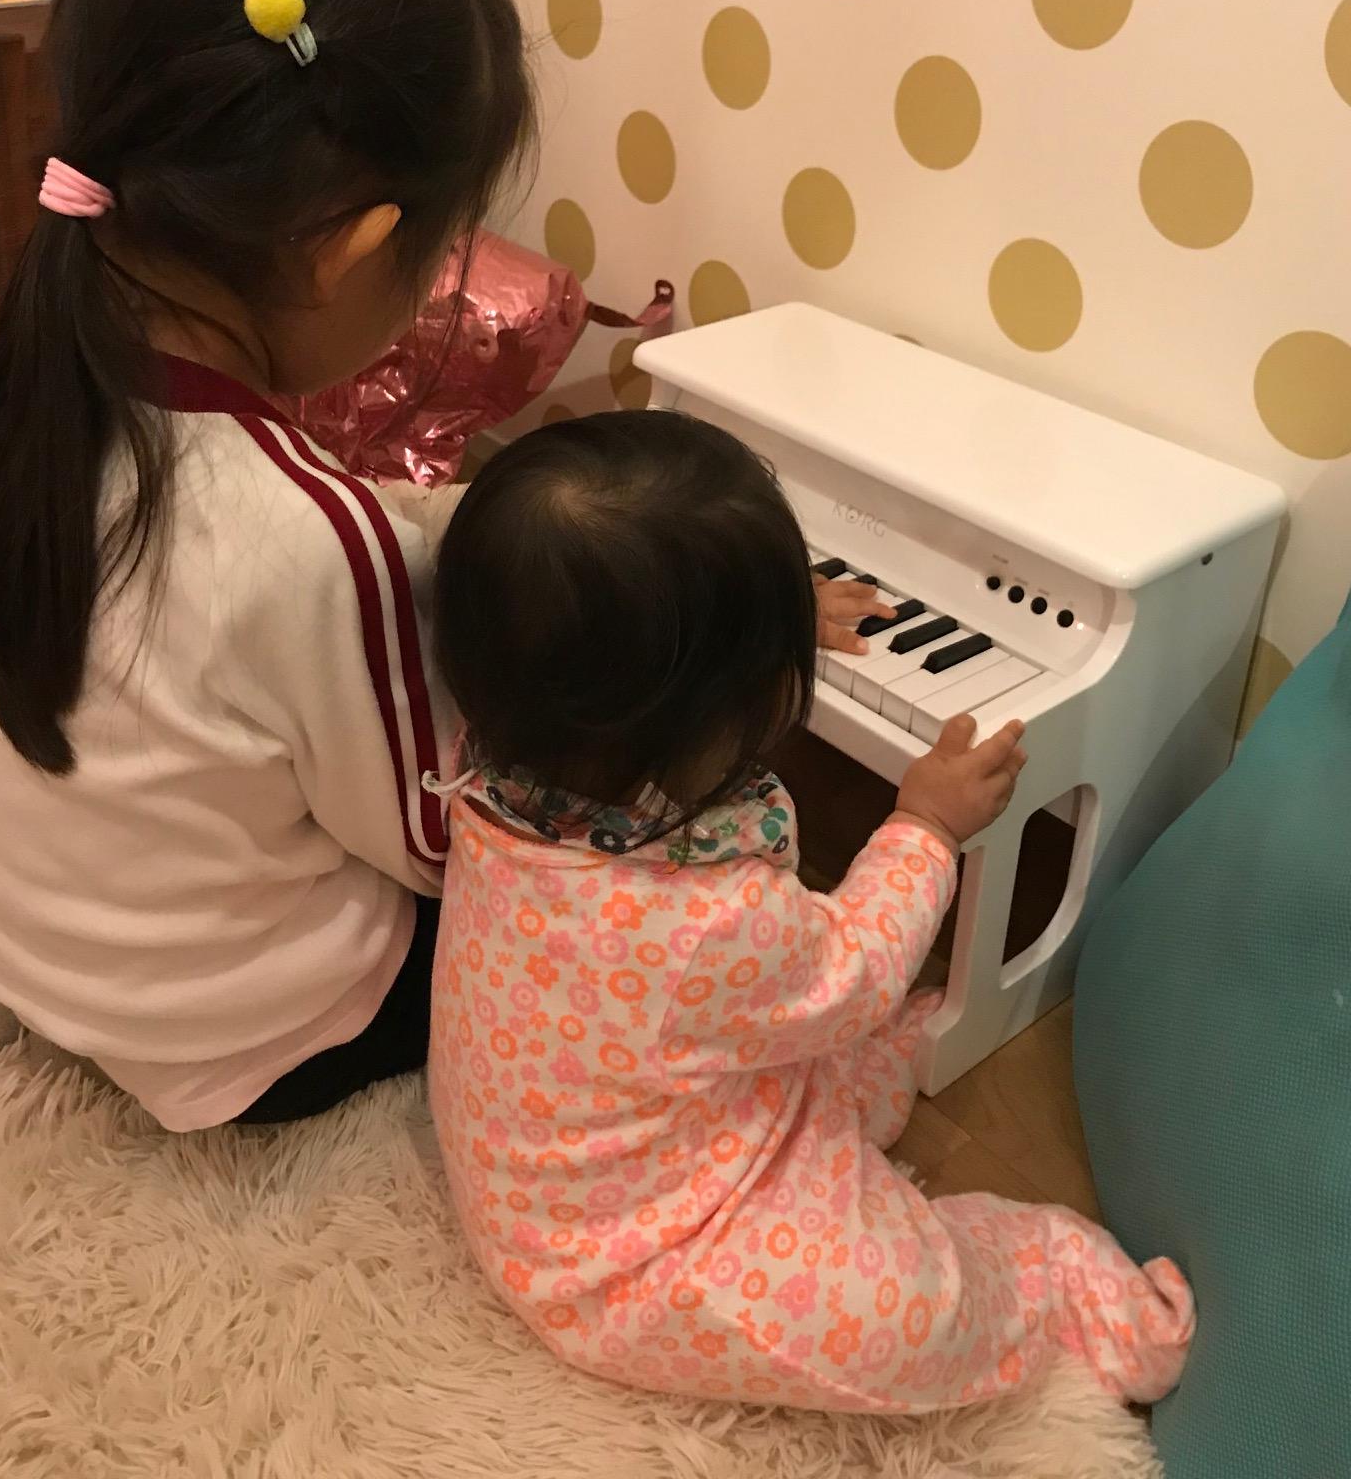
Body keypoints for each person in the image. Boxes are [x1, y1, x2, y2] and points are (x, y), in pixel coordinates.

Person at [0, 0, 533, 1131]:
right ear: (350, 249)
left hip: (8, 951)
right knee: (570, 894)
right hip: (255, 1047)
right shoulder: (315, 539)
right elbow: (433, 843)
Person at [428, 410, 1194, 1414]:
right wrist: (924, 824)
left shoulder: (496, 778)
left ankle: (842, 1097)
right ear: (722, 700)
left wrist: (759, 617)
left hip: (559, 1165)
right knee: (902, 1319)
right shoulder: (704, 925)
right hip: (622, 1267)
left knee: (813, 1049)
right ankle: (1045, 1284)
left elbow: (629, 637)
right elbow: (857, 969)